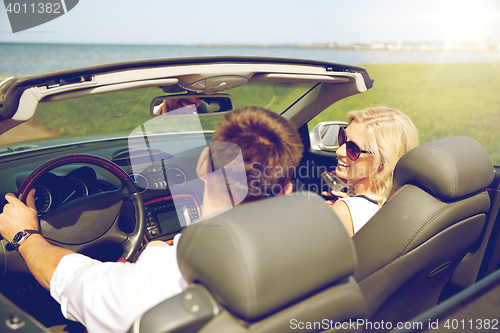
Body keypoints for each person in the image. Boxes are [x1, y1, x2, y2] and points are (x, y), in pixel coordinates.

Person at [0, 106, 304, 333]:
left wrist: (25, 235)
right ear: (287, 189)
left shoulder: (170, 276)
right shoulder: (309, 246)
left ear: (202, 163)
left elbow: (77, 286)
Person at [323, 106, 418, 237]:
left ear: (382, 161)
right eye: (342, 138)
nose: (339, 151)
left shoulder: (343, 212)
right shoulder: (407, 203)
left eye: (353, 149)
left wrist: (341, 210)